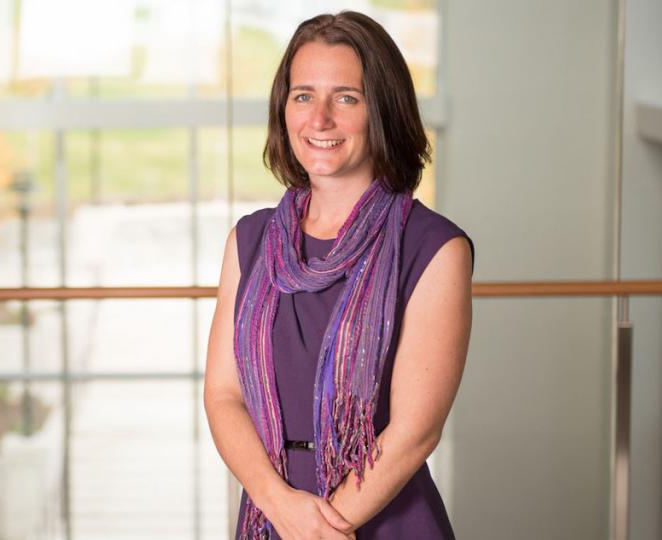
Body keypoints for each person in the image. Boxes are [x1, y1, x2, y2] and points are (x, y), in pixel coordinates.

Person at [203, 11, 475, 540]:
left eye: (346, 98)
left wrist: (320, 528)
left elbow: (415, 432)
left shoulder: (436, 248)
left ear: (383, 112)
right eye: (303, 95)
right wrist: (278, 503)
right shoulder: (249, 240)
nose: (320, 118)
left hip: (381, 518)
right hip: (270, 513)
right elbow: (223, 396)